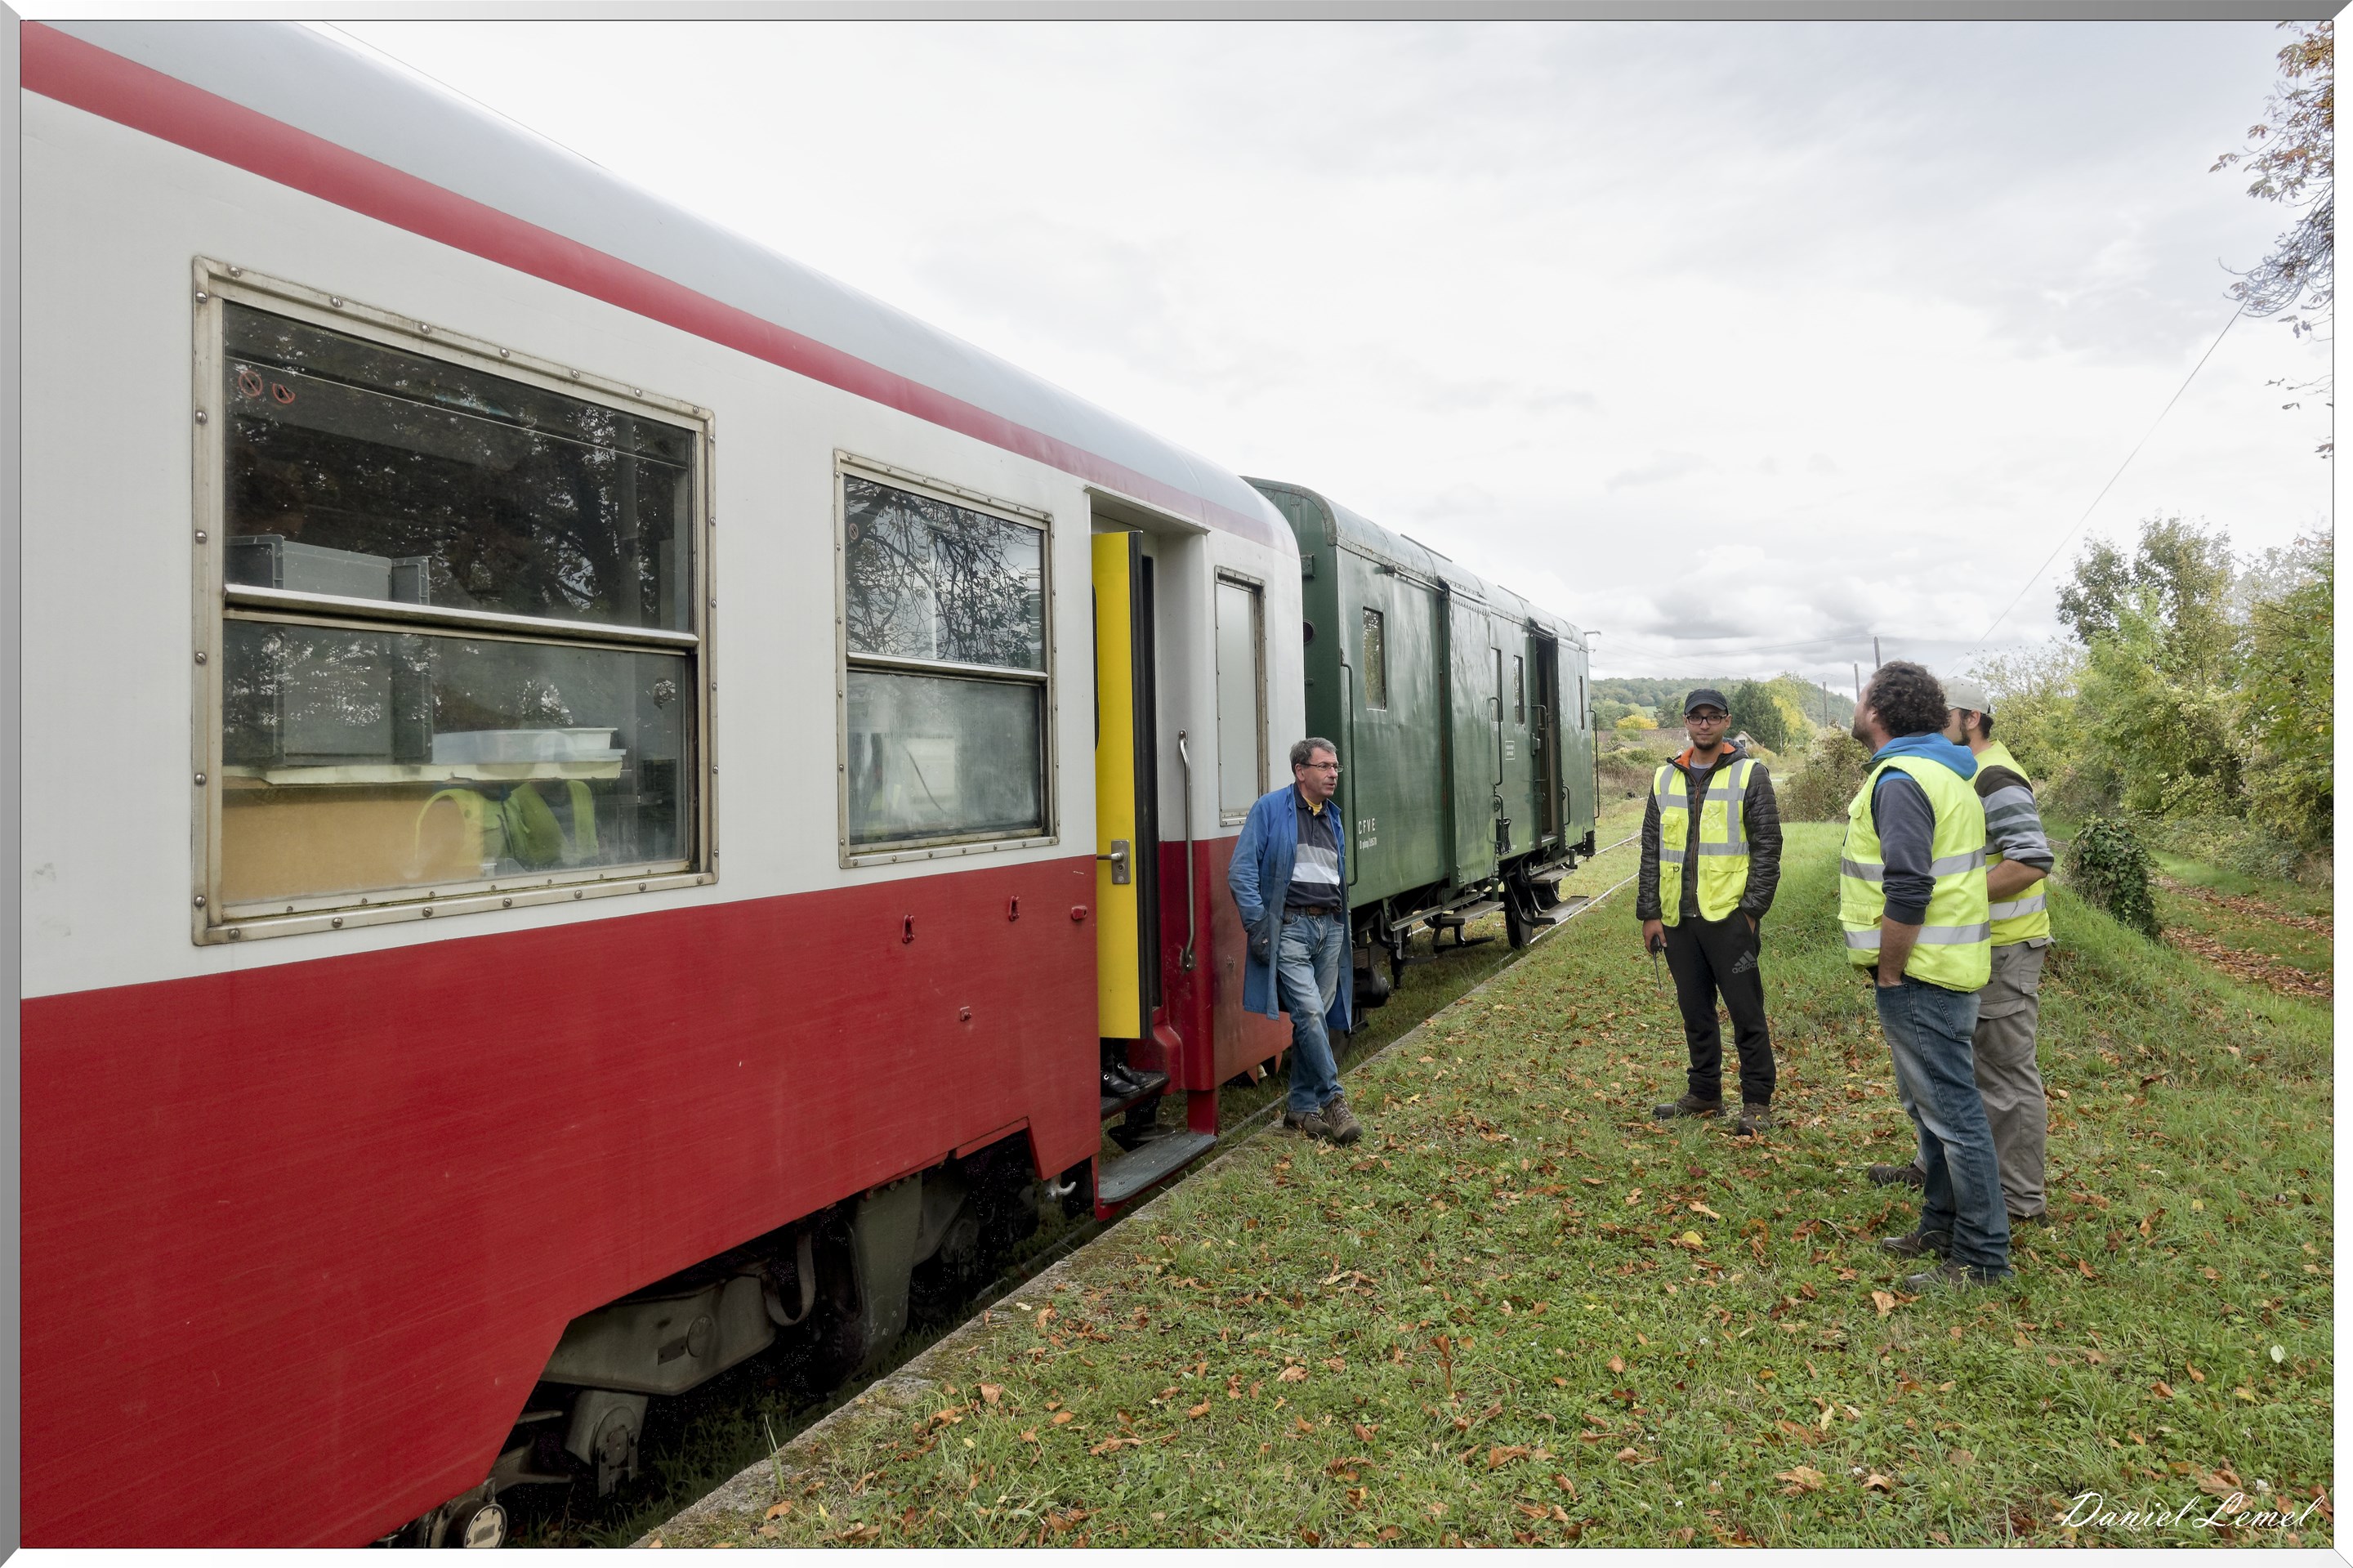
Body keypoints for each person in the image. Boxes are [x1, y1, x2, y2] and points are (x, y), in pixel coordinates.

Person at [1842, 662, 2007, 1289]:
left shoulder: (1902, 778)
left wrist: (1889, 969)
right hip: (1947, 965)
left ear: (1878, 710)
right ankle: (1938, 1226)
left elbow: (1908, 885)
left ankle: (1983, 1258)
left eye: (1861, 697)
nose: (1856, 707)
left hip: (1921, 972)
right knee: (1941, 1118)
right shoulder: (1943, 770)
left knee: (1956, 1118)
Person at [1868, 676, 2055, 1227]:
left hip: (2003, 947)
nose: (1925, 724)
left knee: (2002, 1075)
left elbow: (2030, 859)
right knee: (1944, 1072)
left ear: (1969, 717)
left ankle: (2021, 1199)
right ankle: (1936, 1168)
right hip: (1959, 949)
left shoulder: (1995, 775)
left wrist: (1950, 902)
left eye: (1938, 715)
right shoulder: (1955, 771)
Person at [1637, 688, 1784, 1136]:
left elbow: (1768, 848)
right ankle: (1704, 1094)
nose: (1704, 724)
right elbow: (1651, 850)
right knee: (1696, 1013)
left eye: (1713, 716)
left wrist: (1752, 912)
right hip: (1678, 919)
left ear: (1726, 721)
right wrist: (1650, 913)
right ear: (1685, 721)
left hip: (1729, 919)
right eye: (1696, 717)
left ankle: (1757, 1102)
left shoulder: (1749, 775)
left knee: (1746, 1014)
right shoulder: (1664, 778)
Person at [1229, 738, 1360, 1146]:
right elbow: (1240, 872)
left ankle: (1300, 1109)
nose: (1333, 773)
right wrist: (1259, 925)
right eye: (1324, 766)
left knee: (1313, 1019)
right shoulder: (1270, 809)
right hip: (1290, 929)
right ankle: (1333, 1100)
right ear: (1301, 771)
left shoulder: (1332, 816)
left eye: (1336, 766)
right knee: (1309, 1014)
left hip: (1330, 930)